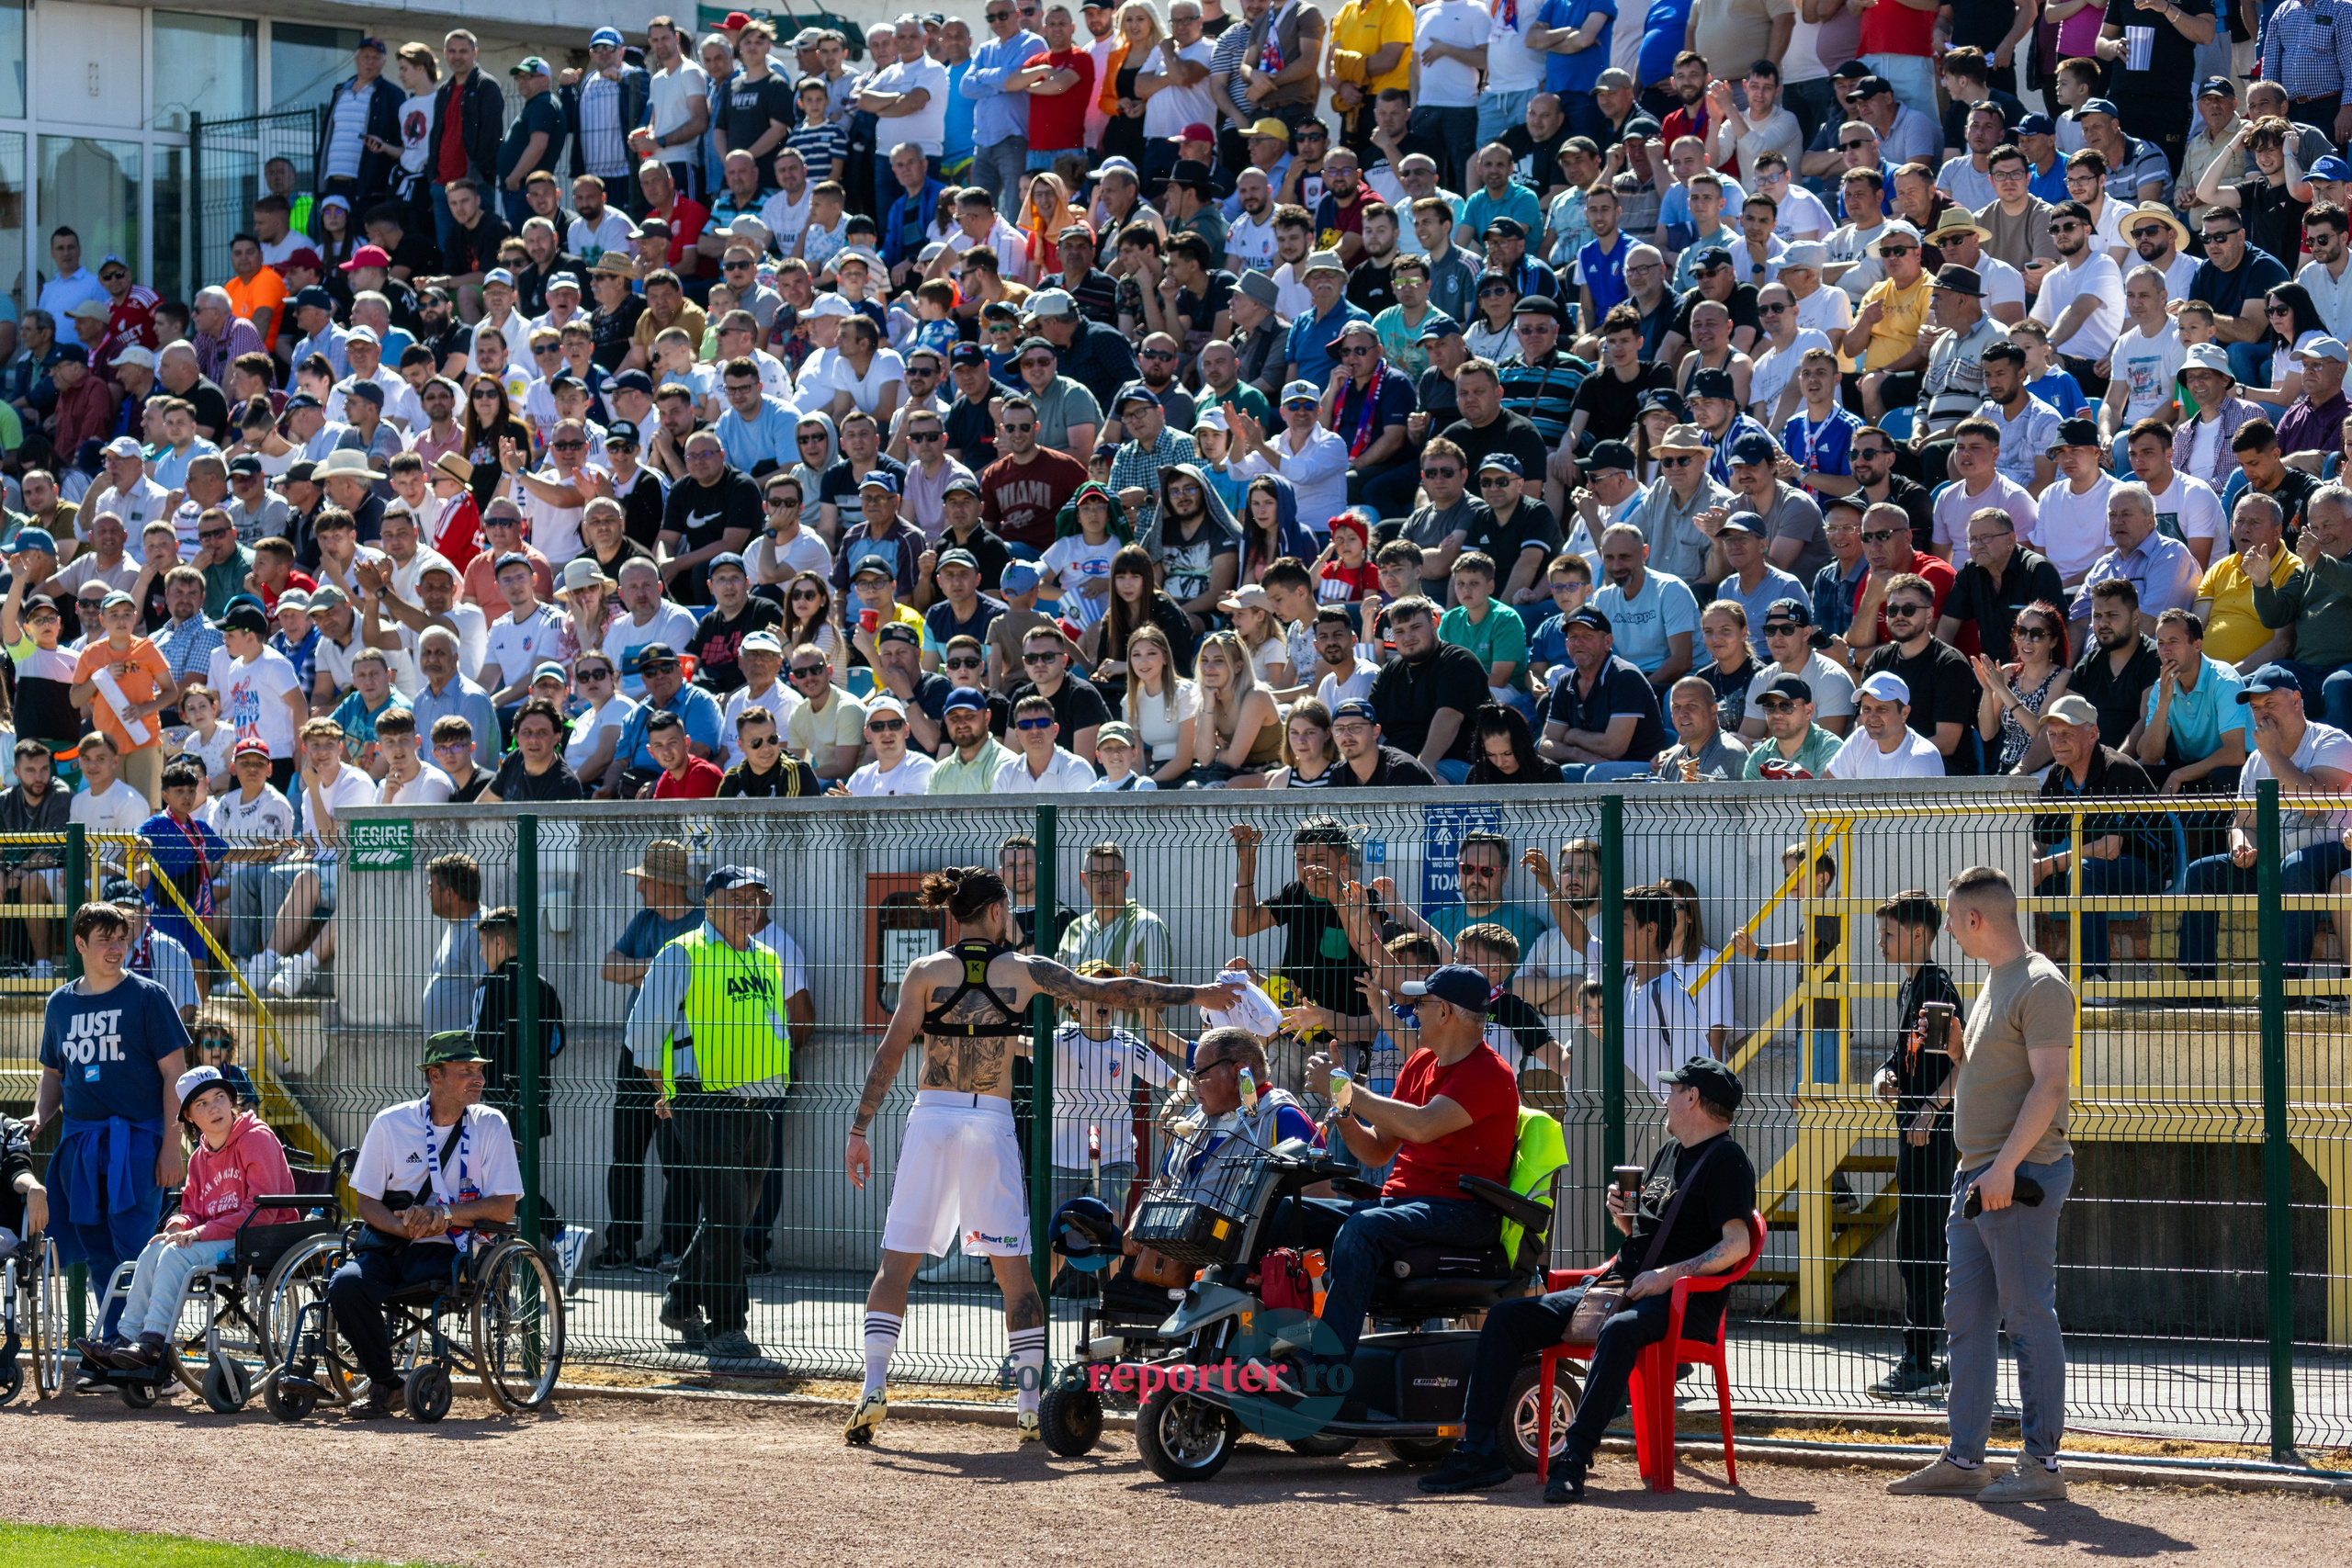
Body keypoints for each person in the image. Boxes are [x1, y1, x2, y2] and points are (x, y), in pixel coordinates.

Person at [842, 863, 1241, 1443]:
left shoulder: (924, 971)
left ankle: (873, 1388)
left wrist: (860, 1128)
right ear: (999, 911)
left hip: (931, 1118)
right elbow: (1110, 992)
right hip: (990, 1121)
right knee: (1018, 1275)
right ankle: (1030, 1402)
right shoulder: (1024, 970)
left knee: (897, 1264)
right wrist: (1196, 993)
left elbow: (889, 1052)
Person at [1417, 1055, 1755, 1505]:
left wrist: (1666, 1278)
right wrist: (1625, 1219)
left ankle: (1573, 1459)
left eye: (1673, 1090)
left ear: (1692, 1098)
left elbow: (1737, 1245)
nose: (1665, 1097)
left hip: (1681, 1302)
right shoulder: (1669, 1150)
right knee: (1507, 1319)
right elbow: (1651, 1237)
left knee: (1618, 1331)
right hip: (1623, 1285)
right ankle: (1478, 1451)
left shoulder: (1728, 1161)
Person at [1885, 866, 2075, 1505]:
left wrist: (2004, 1168)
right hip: (1978, 1176)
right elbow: (1994, 1075)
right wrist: (1962, 1049)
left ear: (1974, 920)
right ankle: (1965, 1456)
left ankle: (2043, 1463)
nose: (1950, 934)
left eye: (1952, 920)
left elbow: (2050, 1087)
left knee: (2027, 1315)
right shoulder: (1996, 980)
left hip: (2014, 1176)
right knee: (1965, 1318)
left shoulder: (2042, 984)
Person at [626, 865, 794, 1366]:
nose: (750, 908)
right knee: (725, 1215)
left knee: (736, 1213)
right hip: (702, 1097)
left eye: (757, 898)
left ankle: (680, 1301)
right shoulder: (682, 953)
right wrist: (670, 1091)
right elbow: (644, 1035)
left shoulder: (767, 957)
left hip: (757, 1100)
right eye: (739, 898)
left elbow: (771, 1027)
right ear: (712, 902)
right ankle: (728, 1327)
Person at [327, 1032, 524, 1419]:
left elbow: (503, 1206)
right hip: (393, 1242)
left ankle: (406, 1378)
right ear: (435, 1075)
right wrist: (404, 1227)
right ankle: (387, 1383)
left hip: (455, 1248)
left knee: (433, 1273)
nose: (479, 1078)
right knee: (345, 1286)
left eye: (480, 1070)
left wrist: (445, 1217)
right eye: (466, 1071)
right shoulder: (390, 1123)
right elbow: (366, 1199)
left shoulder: (491, 1124)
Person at [32, 901, 192, 1364]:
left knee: (136, 1250)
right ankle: (116, 1350)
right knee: (97, 1250)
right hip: (80, 1144)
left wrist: (170, 1146)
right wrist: (41, 1116)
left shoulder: (149, 996)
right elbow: (53, 1075)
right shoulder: (60, 1004)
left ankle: (146, 1350)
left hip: (140, 1143)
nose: (116, 948)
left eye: (121, 939)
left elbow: (174, 1076)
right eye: (104, 940)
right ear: (80, 944)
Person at [85, 1064, 296, 1373]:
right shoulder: (199, 1157)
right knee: (153, 1250)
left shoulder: (256, 1139)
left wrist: (199, 1233)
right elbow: (192, 1212)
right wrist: (176, 1226)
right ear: (188, 1117)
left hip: (258, 1237)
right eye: (202, 1104)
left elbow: (262, 1212)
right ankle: (125, 1340)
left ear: (231, 1100)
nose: (214, 1108)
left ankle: (153, 1341)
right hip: (219, 1236)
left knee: (175, 1253)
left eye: (219, 1097)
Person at [2175, 663, 2352, 982]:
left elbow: (2314, 804)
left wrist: (2274, 755)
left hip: (2336, 853)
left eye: (2270, 704)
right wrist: (2242, 842)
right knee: (2201, 873)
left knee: (2295, 867)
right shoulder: (2257, 760)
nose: (2262, 715)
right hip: (2280, 861)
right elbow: (2243, 822)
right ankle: (2197, 983)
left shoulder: (2333, 742)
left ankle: (2286, 982)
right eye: (2256, 708)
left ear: (2297, 701)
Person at [1865, 889, 1962, 1401]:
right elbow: (1903, 1055)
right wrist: (1885, 1076)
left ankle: (1921, 1359)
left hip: (1930, 1134)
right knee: (1914, 1245)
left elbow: (1960, 1063)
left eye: (1889, 934)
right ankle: (1926, 1355)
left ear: (1918, 935)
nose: (1880, 943)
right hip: (1913, 1131)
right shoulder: (1912, 988)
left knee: (1921, 1247)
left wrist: (1928, 1109)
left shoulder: (1935, 989)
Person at [2029, 693, 2165, 977]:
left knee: (2083, 871)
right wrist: (2027, 861)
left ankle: (2094, 977)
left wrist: (2048, 865)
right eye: (2052, 735)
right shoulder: (2057, 774)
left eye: (2066, 733)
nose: (2057, 742)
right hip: (2091, 868)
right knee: (2014, 878)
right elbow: (2041, 838)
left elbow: (2110, 848)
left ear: (2093, 734)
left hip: (2145, 868)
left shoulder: (2118, 769)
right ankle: (2023, 979)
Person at [1827, 671, 1950, 779]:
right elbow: (1826, 788)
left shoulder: (1921, 759)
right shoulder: (1860, 737)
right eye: (1866, 709)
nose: (1872, 717)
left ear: (1904, 713)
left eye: (1882, 709)